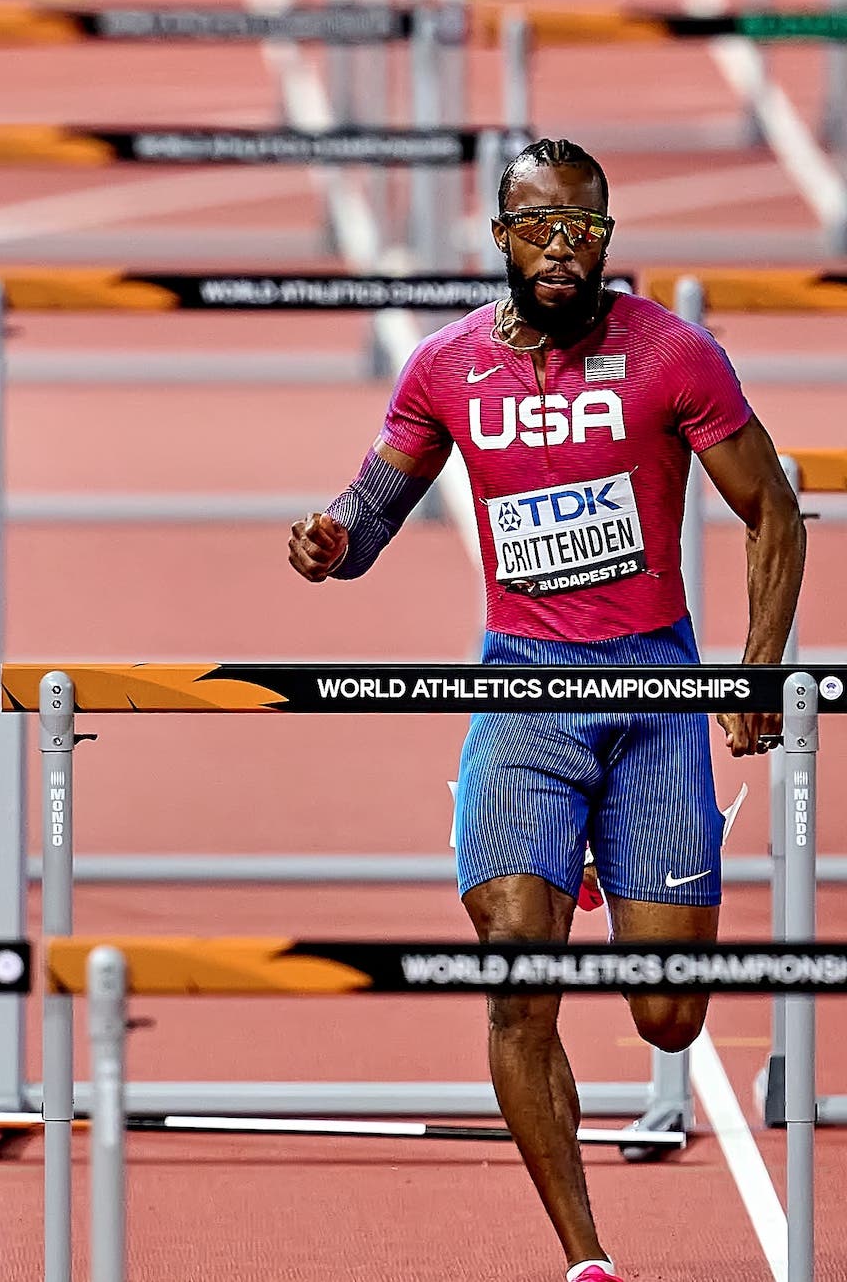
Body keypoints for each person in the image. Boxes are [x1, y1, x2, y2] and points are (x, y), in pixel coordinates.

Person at [287, 138, 805, 1282]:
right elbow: (375, 505)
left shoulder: (674, 355)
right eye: (538, 228)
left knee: (668, 1018)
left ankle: (602, 853)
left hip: (655, 693)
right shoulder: (447, 366)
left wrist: (760, 666)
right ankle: (587, 1260)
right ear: (500, 235)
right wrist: (333, 537)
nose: (560, 251)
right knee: (518, 972)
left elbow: (776, 510)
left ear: (607, 239)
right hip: (521, 691)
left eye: (582, 230)